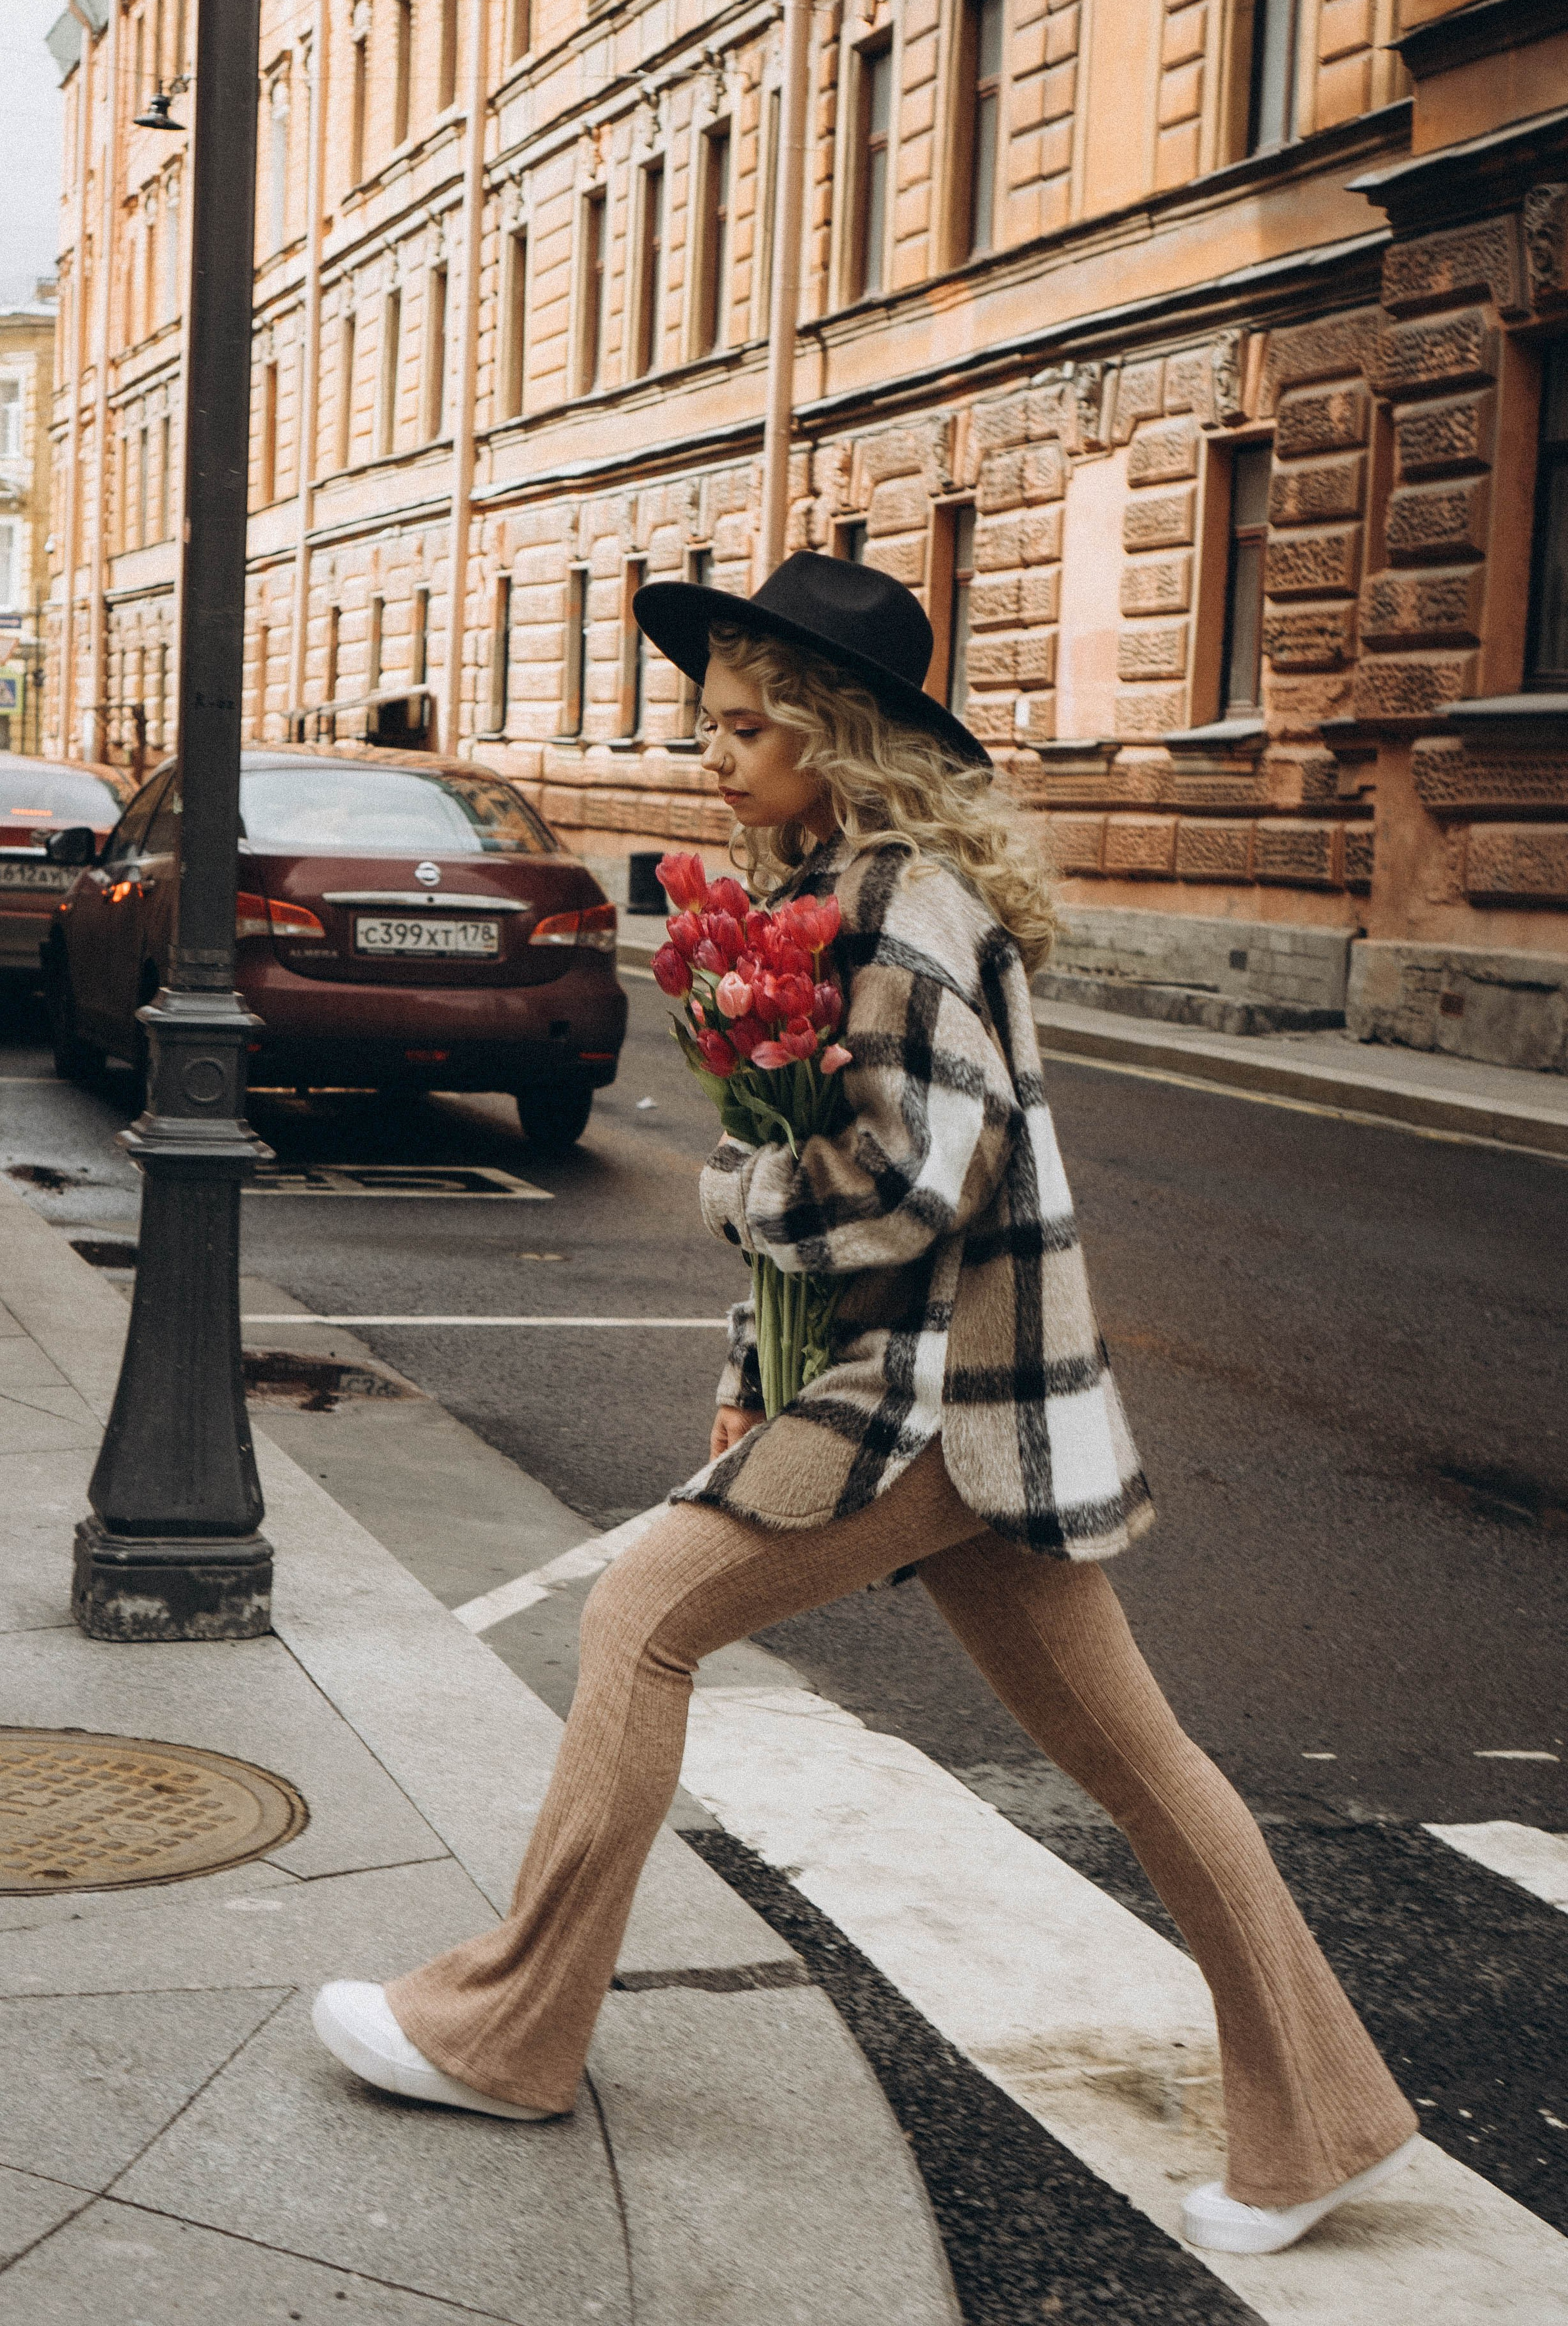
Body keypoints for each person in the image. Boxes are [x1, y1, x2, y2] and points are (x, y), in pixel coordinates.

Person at [313, 553, 1418, 2258]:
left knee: (638, 1621)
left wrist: (739, 1201)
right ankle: (1325, 2117)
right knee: (1139, 1762)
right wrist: (750, 1375)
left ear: (839, 740)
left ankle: (505, 2034)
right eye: (710, 724)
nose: (714, 755)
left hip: (935, 1392)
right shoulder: (845, 892)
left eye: (749, 727)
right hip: (950, 1397)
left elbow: (908, 1184)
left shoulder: (907, 906)